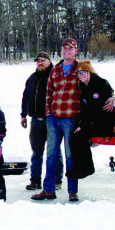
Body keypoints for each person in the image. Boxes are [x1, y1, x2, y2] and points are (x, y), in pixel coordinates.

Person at [31, 38, 82, 202]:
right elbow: (49, 92)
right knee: (51, 155)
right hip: (53, 119)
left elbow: (96, 85)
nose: (67, 52)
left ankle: (72, 191)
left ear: (76, 51)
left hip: (70, 119)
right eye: (64, 49)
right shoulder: (57, 69)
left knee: (70, 156)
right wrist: (48, 112)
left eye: (70, 49)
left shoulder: (82, 67)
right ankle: (48, 190)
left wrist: (111, 95)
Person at [66, 61, 115, 179]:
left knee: (80, 136)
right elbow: (86, 109)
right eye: (79, 74)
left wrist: (84, 126)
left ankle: (87, 168)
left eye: (83, 73)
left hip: (106, 122)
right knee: (75, 135)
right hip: (96, 121)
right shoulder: (84, 86)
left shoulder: (99, 84)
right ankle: (80, 166)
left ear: (89, 72)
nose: (81, 76)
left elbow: (95, 110)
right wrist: (82, 124)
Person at [21, 52, 64, 191]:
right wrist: (23, 115)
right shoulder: (32, 78)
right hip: (36, 121)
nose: (39, 63)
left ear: (49, 61)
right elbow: (25, 97)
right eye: (37, 61)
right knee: (36, 152)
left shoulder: (56, 76)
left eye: (42, 61)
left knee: (54, 151)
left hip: (52, 120)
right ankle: (35, 181)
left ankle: (57, 180)